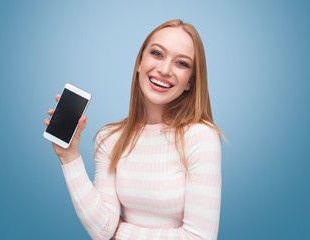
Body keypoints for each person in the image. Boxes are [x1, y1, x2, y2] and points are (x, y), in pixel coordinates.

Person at [44, 19, 224, 240]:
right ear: (140, 62)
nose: (165, 69)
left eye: (182, 63)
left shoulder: (201, 136)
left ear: (190, 82)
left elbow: (200, 237)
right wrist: (69, 157)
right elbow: (102, 230)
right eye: (157, 54)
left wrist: (120, 231)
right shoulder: (110, 138)